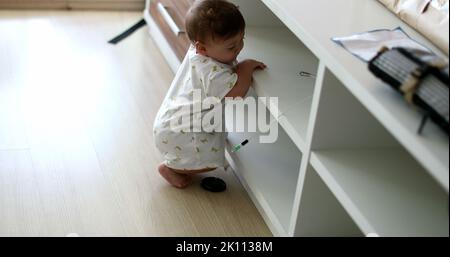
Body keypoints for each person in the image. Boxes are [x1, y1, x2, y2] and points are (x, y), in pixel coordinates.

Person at [153, 0, 266, 188]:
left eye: (242, 39)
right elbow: (237, 93)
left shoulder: (199, 52)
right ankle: (171, 168)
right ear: (202, 48)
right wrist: (246, 67)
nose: (239, 48)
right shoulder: (212, 73)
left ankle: (176, 163)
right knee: (207, 162)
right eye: (231, 47)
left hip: (171, 123)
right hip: (182, 132)